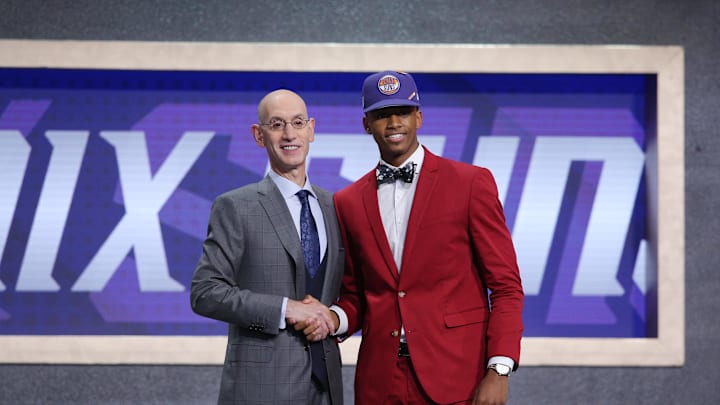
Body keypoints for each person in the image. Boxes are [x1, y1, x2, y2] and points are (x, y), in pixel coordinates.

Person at [329, 71, 524, 404]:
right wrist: (331, 319)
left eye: (402, 112)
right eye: (381, 115)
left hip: (457, 377)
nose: (393, 123)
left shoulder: (470, 183)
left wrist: (499, 369)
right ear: (366, 124)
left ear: (418, 117)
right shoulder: (346, 201)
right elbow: (357, 295)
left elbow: (505, 286)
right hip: (380, 382)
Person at [190, 89, 344, 405]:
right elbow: (205, 292)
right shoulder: (236, 206)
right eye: (277, 124)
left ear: (311, 129)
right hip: (261, 389)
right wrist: (287, 308)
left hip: (326, 388)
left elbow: (353, 289)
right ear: (259, 136)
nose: (290, 134)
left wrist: (334, 316)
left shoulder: (336, 206)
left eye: (298, 123)